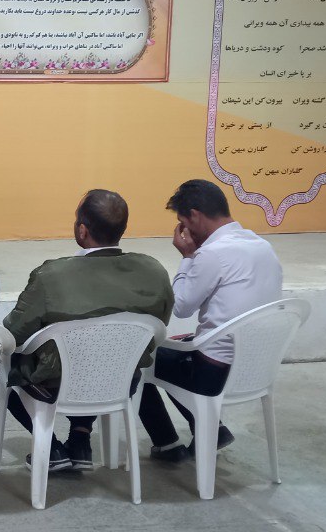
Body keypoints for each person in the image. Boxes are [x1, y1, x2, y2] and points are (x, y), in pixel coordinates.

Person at [3, 190, 173, 472]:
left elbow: (13, 333)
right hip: (121, 379)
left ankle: (51, 448)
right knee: (98, 356)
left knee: (3, 369)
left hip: (57, 384)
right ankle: (80, 438)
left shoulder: (51, 276)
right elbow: (158, 326)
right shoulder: (154, 271)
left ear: (82, 230)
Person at [139, 179, 283, 462]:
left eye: (183, 223)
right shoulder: (263, 246)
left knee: (138, 359)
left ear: (194, 215)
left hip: (214, 373)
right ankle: (210, 429)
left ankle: (167, 443)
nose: (185, 231)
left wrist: (187, 257)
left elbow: (181, 307)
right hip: (258, 365)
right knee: (176, 349)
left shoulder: (211, 254)